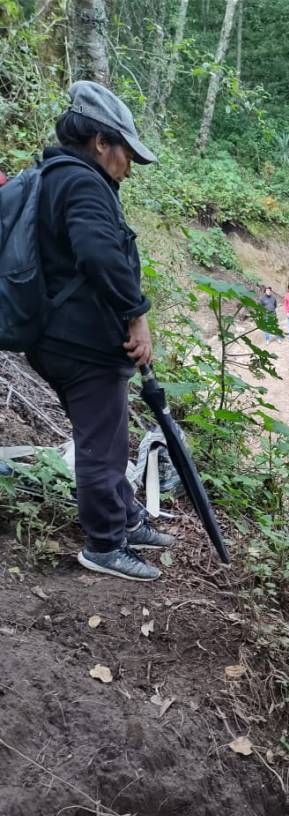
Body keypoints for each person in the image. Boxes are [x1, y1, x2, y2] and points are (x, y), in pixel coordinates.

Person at [24, 80, 173, 582]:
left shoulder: (55, 176)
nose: (129, 166)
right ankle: (105, 544)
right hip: (80, 341)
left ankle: (126, 518)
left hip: (57, 335)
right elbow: (98, 254)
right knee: (101, 447)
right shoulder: (83, 183)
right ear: (100, 141)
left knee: (104, 435)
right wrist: (136, 314)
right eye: (125, 153)